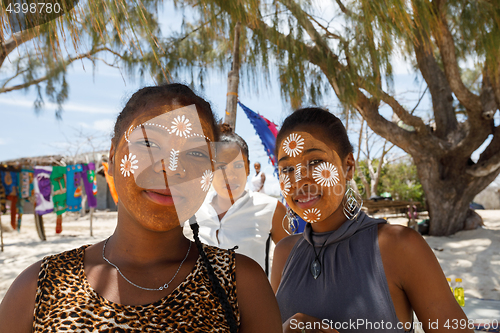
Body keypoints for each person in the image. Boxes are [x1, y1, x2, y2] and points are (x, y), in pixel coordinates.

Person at [0, 84, 282, 333]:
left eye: (195, 153)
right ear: (112, 155)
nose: (171, 168)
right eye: (148, 143)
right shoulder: (39, 286)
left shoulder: (242, 285)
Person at [271, 108, 472, 333]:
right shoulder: (284, 253)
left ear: (348, 166)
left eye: (315, 162)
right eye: (287, 168)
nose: (299, 180)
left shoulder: (398, 246)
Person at [184, 123, 289, 275]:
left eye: (238, 166)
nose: (231, 176)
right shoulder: (191, 207)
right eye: (221, 167)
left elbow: (292, 265)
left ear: (248, 168)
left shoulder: (272, 209)